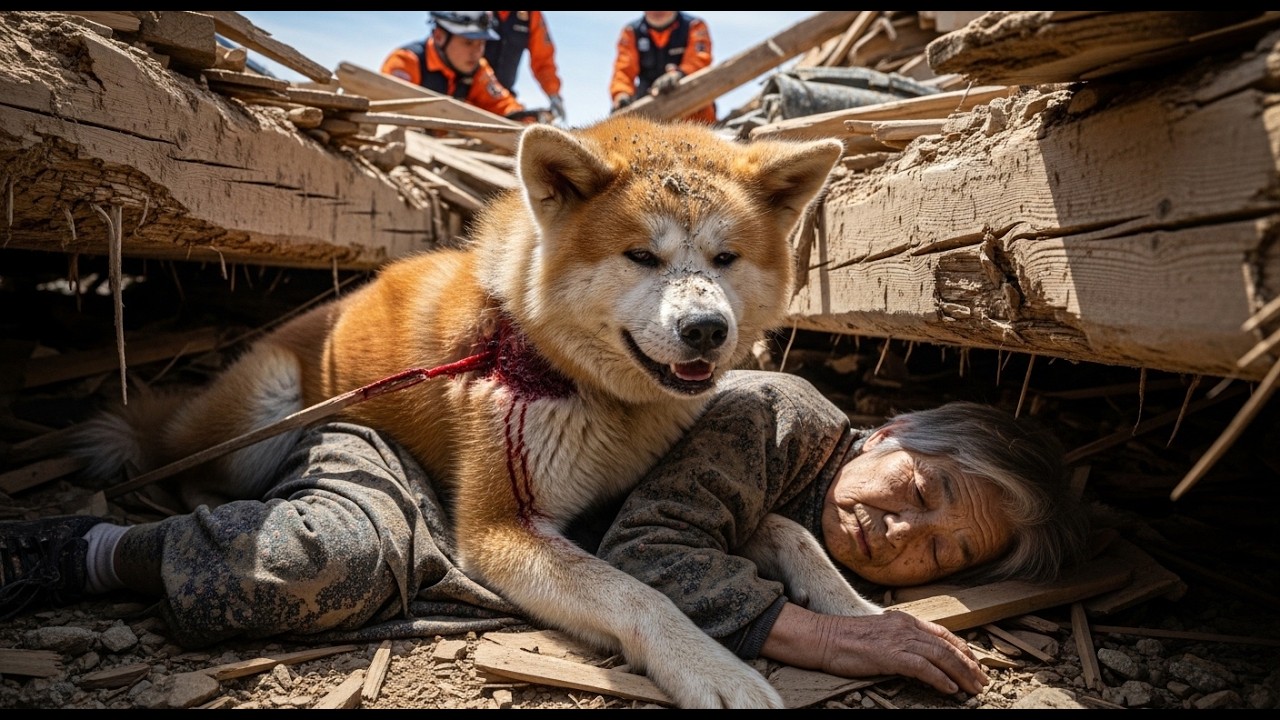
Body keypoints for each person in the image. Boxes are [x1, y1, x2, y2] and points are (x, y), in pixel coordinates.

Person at [0, 370, 1089, 697]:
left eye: (941, 552)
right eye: (925, 485)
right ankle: (77, 552)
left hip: (511, 539)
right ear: (892, 428)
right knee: (312, 567)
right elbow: (657, 559)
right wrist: (839, 639)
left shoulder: (815, 519)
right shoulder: (782, 418)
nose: (902, 528)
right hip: (429, 465)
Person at [380, 11, 533, 123]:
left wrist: (527, 121)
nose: (477, 52)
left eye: (482, 43)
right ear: (439, 37)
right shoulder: (406, 63)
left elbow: (503, 104)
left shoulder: (479, 70)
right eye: (468, 42)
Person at [610, 11, 717, 124]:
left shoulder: (695, 26)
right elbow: (623, 71)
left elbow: (699, 61)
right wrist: (621, 95)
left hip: (694, 114)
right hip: (647, 114)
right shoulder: (631, 32)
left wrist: (678, 74)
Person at [484, 11, 566, 123]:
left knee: (527, 123)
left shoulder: (531, 15)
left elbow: (543, 59)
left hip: (502, 100)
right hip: (467, 93)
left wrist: (554, 95)